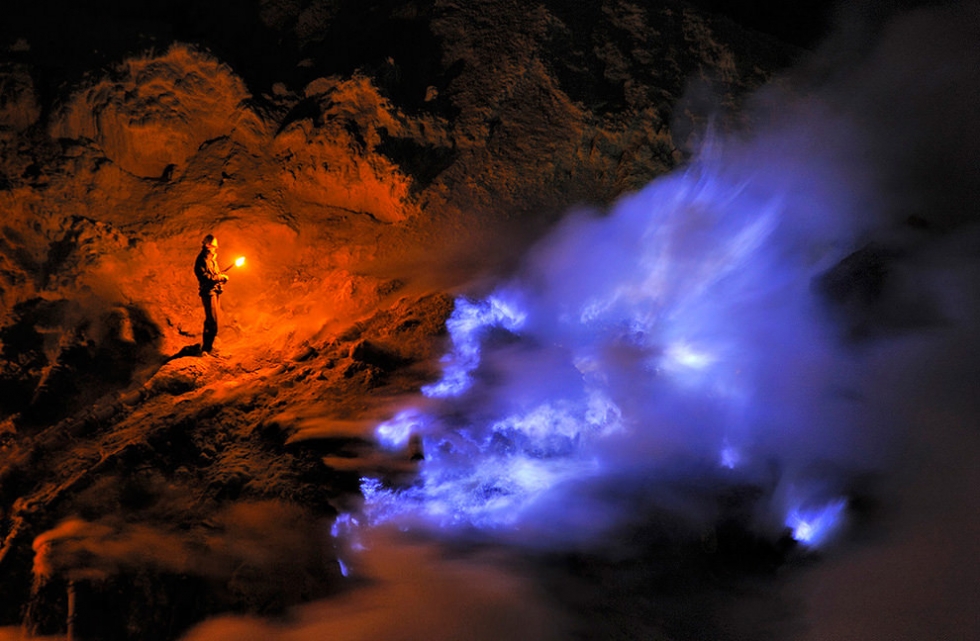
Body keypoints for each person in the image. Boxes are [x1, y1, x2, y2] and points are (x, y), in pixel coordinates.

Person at [194, 234, 229, 354]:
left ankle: (207, 348)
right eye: (214, 245)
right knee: (213, 322)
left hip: (214, 291)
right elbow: (204, 276)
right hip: (208, 293)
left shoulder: (211, 259)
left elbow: (214, 273)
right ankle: (207, 349)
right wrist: (219, 277)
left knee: (211, 320)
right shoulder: (202, 259)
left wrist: (220, 277)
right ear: (208, 245)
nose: (216, 248)